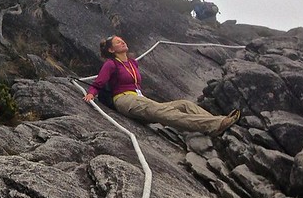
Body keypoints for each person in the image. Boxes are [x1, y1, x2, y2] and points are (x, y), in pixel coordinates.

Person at [83, 35, 240, 135]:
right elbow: (99, 82)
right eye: (118, 42)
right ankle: (216, 124)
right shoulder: (111, 64)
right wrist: (90, 94)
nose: (122, 41)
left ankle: (216, 123)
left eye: (122, 39)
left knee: (184, 104)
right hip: (124, 100)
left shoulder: (132, 63)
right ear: (111, 49)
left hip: (140, 99)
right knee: (165, 112)